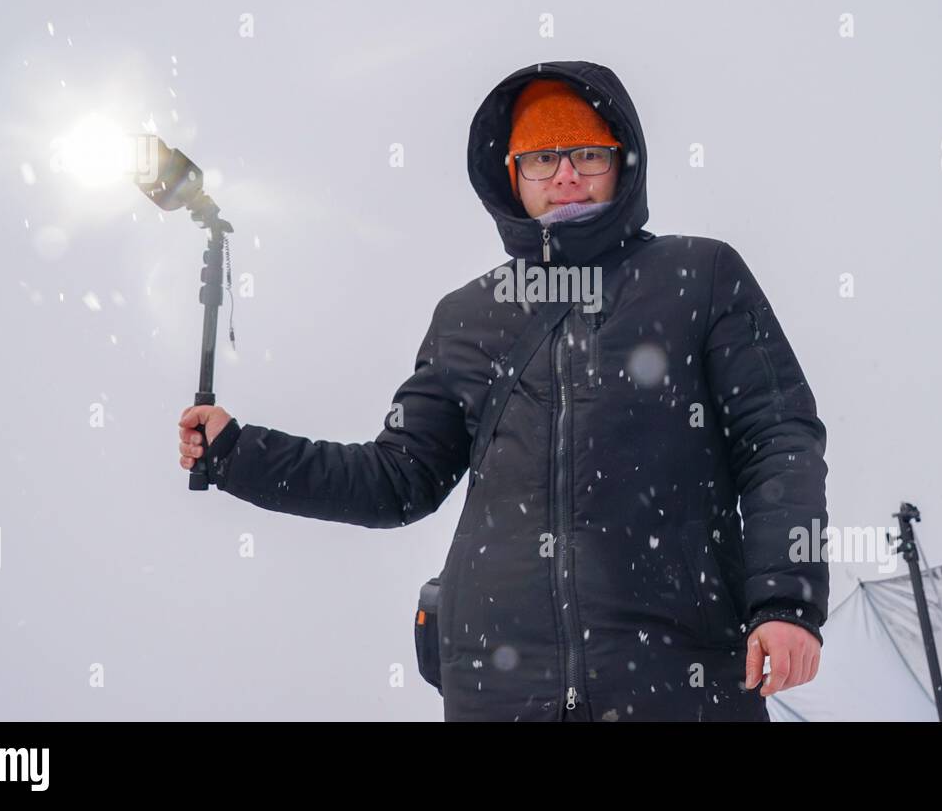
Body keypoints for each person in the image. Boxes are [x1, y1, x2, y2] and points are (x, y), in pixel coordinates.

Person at [177, 60, 830, 722]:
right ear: (512, 176)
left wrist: (786, 603)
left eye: (587, 153)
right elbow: (397, 478)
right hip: (501, 689)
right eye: (543, 158)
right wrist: (238, 453)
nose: (567, 174)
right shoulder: (468, 316)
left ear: (623, 162)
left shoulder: (699, 273)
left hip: (677, 677)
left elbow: (778, 439)